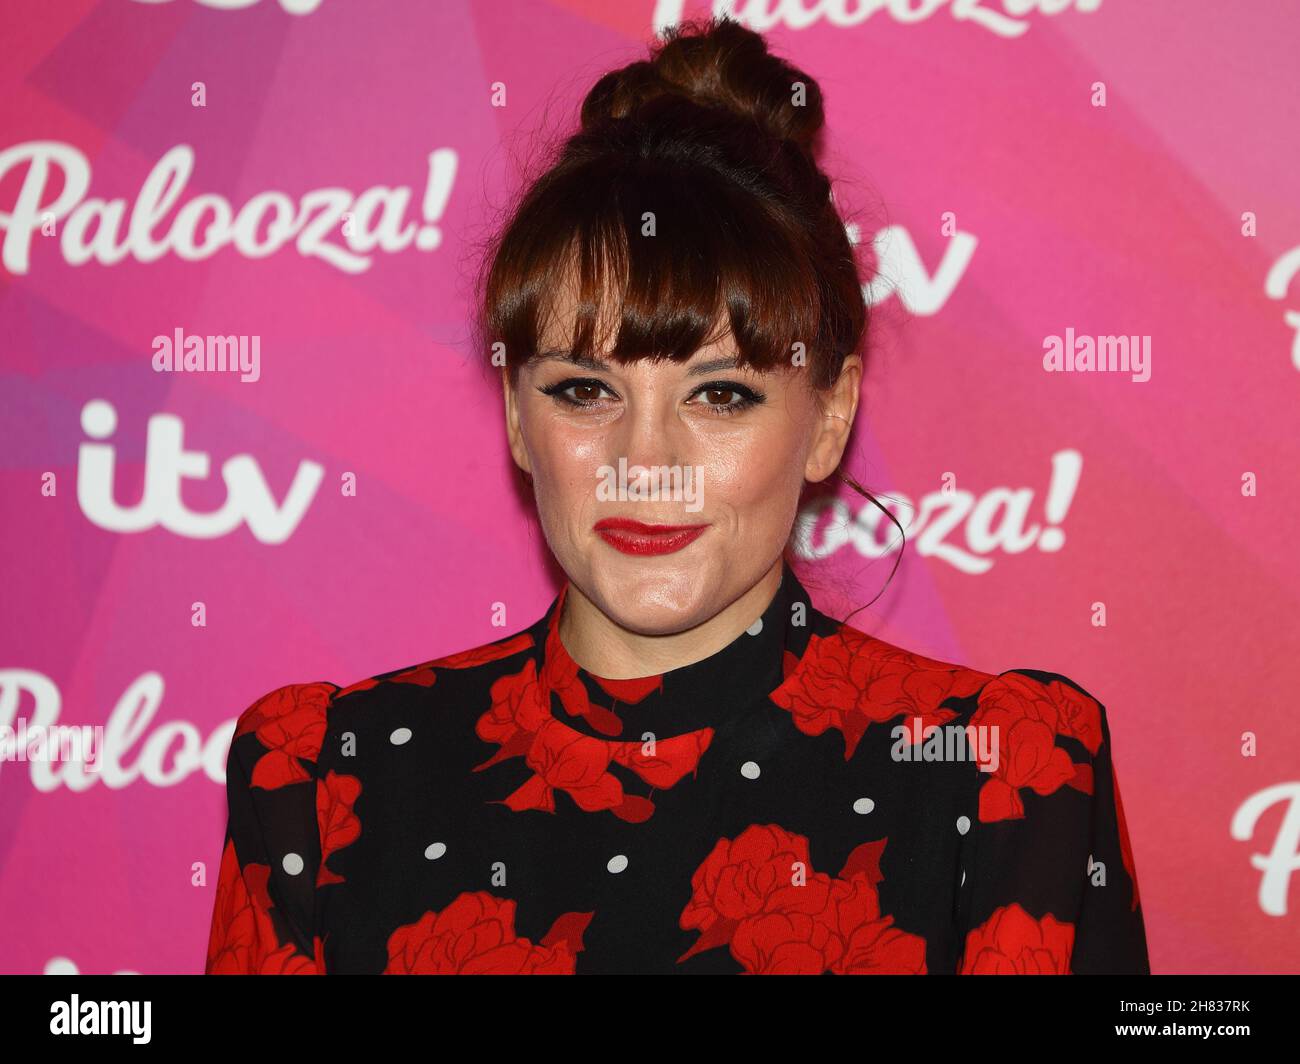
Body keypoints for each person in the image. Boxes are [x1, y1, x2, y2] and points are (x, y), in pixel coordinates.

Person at [205, 16, 1149, 975]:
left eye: (721, 395)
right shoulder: (325, 781)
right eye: (585, 390)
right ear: (519, 418)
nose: (643, 461)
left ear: (829, 416)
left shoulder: (1003, 781)